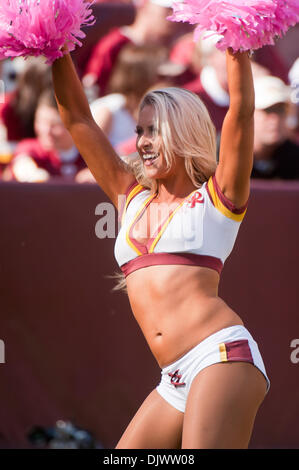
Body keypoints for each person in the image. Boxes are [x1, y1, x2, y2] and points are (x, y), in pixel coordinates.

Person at [52, 43, 270, 448]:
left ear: (184, 132)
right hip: (173, 378)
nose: (143, 142)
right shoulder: (129, 196)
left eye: (155, 130)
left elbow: (240, 111)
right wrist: (56, 48)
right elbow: (78, 119)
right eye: (139, 131)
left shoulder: (219, 198)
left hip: (219, 357)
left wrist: (237, 43)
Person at [8, 89, 86, 182]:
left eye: (55, 125)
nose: (46, 130)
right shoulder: (32, 149)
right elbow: (23, 166)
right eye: (41, 122)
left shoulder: (89, 156)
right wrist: (34, 176)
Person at [252, 75, 299, 179]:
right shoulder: (221, 155)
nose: (275, 119)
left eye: (280, 110)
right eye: (267, 110)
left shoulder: (295, 159)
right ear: (248, 114)